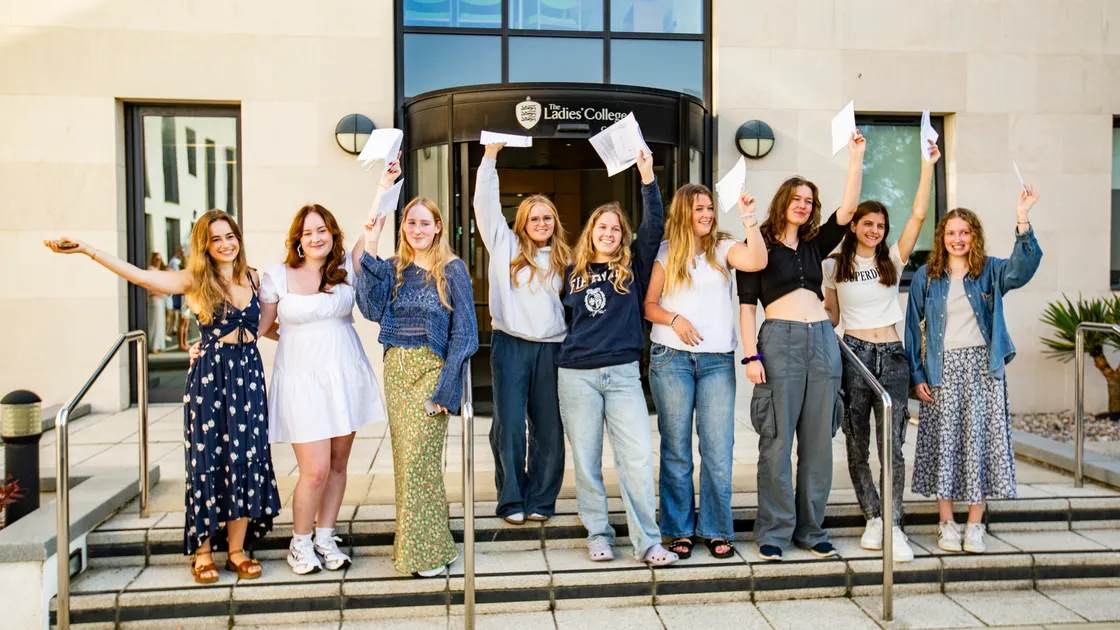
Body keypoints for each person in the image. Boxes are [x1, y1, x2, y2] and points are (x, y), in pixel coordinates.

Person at [45, 210, 282, 583]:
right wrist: (88, 250)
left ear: (238, 237)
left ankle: (236, 550)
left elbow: (270, 327)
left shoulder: (254, 278)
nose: (225, 244)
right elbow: (141, 276)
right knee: (207, 461)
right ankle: (203, 551)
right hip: (210, 381)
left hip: (248, 379)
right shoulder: (194, 280)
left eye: (229, 235)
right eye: (215, 239)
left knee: (246, 459)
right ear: (204, 246)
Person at [257, 166, 396, 574]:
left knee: (338, 465)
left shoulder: (346, 269)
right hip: (301, 380)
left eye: (323, 231)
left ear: (333, 234)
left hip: (344, 373)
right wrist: (209, 344)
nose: (316, 237)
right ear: (298, 240)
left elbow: (375, 224)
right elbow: (260, 328)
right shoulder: (277, 276)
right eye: (308, 232)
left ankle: (325, 535)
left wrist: (384, 185)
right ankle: (299, 542)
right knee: (314, 470)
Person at [738, 131, 866, 562]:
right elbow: (746, 306)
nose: (804, 204)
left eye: (809, 199)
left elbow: (847, 210)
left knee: (818, 442)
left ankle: (811, 529)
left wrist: (856, 158)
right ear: (782, 202)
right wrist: (750, 354)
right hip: (778, 342)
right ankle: (773, 530)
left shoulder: (815, 244)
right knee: (775, 441)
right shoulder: (758, 247)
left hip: (821, 343)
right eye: (796, 197)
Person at [905, 187, 1042, 554]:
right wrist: (916, 376)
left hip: (983, 369)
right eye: (951, 233)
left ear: (974, 236)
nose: (958, 238)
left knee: (980, 443)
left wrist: (1023, 219)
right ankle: (946, 523)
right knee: (944, 444)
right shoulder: (926, 277)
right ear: (942, 238)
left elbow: (1023, 268)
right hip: (941, 370)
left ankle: (975, 525)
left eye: (964, 232)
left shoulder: (991, 271)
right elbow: (911, 327)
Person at [555, 151, 677, 566]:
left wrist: (647, 176)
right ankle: (598, 534)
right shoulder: (570, 270)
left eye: (614, 228)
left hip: (624, 374)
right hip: (576, 376)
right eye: (601, 226)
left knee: (638, 458)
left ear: (622, 236)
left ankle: (648, 542)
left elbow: (655, 223)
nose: (607, 233)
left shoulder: (636, 264)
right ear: (591, 231)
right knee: (587, 462)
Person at [823, 140, 940, 562]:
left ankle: (893, 525)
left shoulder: (893, 257)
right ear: (854, 226)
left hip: (891, 356)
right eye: (867, 223)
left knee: (892, 445)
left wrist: (927, 166)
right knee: (857, 445)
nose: (874, 230)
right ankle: (872, 516)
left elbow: (919, 214)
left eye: (880, 225)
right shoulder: (833, 265)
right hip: (853, 355)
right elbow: (832, 316)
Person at [355, 193, 478, 577]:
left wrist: (448, 389)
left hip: (432, 372)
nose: (418, 229)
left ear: (438, 227)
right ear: (403, 227)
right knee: (407, 464)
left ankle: (422, 554)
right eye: (411, 222)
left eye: (425, 223)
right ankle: (434, 544)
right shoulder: (393, 268)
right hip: (397, 372)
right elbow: (370, 308)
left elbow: (466, 333)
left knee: (420, 464)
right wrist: (371, 244)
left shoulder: (452, 269)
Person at [643, 184, 767, 560]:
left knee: (717, 448)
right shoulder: (665, 253)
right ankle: (678, 529)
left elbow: (758, 260)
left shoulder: (723, 247)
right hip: (671, 358)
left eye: (710, 208)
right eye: (699, 208)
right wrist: (674, 318)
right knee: (677, 448)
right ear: (684, 212)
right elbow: (649, 305)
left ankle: (715, 528)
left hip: (716, 361)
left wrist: (748, 216)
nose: (707, 214)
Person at [473, 142, 573, 525]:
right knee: (510, 426)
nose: (542, 224)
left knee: (548, 429)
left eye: (548, 218)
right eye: (535, 218)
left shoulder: (566, 256)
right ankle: (511, 498)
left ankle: (541, 501)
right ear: (522, 223)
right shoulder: (504, 244)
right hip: (510, 345)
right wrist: (490, 157)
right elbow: (484, 204)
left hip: (552, 350)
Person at [147, 252, 167, 354]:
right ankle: (153, 346)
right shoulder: (151, 270)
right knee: (154, 323)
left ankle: (159, 345)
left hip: (160, 300)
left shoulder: (158, 271)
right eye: (156, 259)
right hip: (154, 300)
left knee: (160, 323)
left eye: (159, 259)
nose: (158, 262)